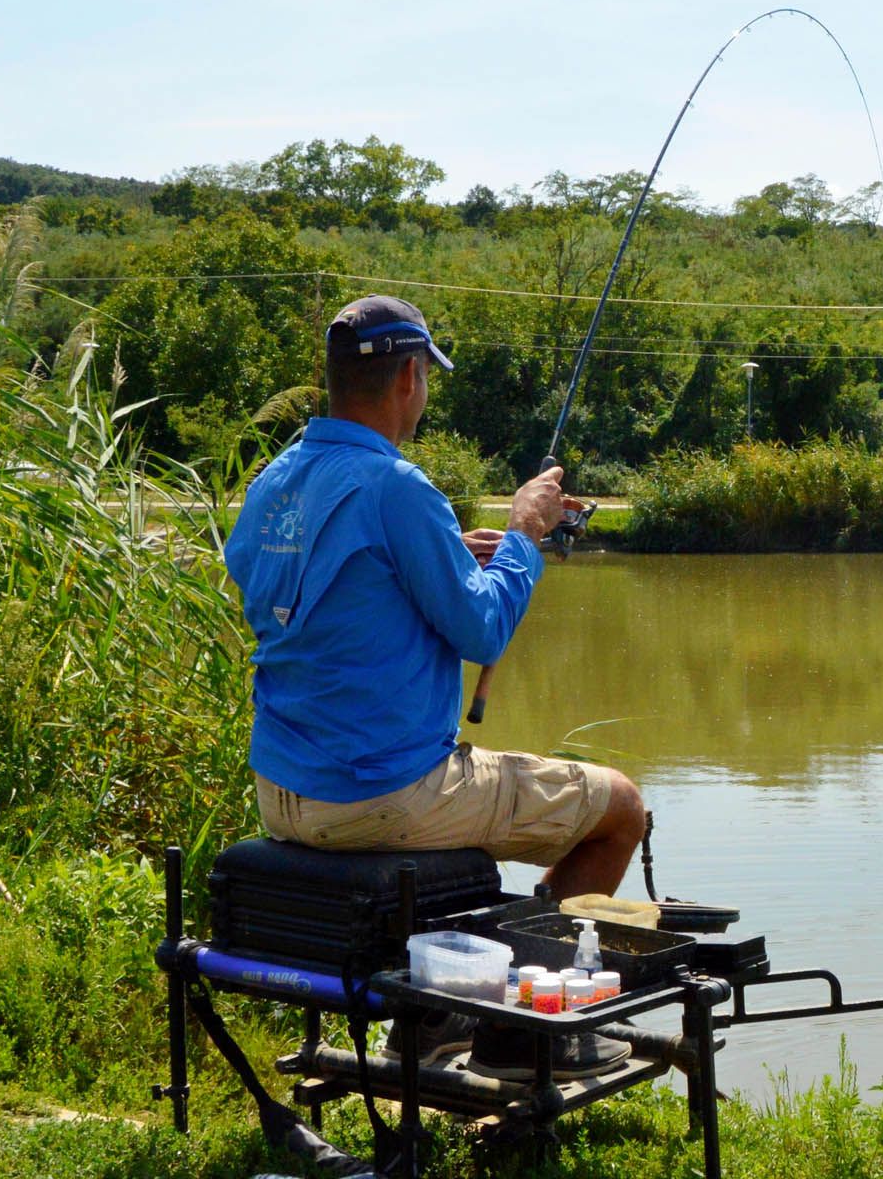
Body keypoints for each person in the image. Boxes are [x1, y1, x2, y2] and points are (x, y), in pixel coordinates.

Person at [224, 295, 644, 1079]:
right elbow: (482, 631)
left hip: (281, 789)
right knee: (619, 806)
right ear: (410, 377)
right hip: (383, 792)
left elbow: (293, 596)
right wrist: (522, 535)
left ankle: (441, 1014)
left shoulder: (276, 480)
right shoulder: (397, 486)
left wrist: (445, 551)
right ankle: (513, 1031)